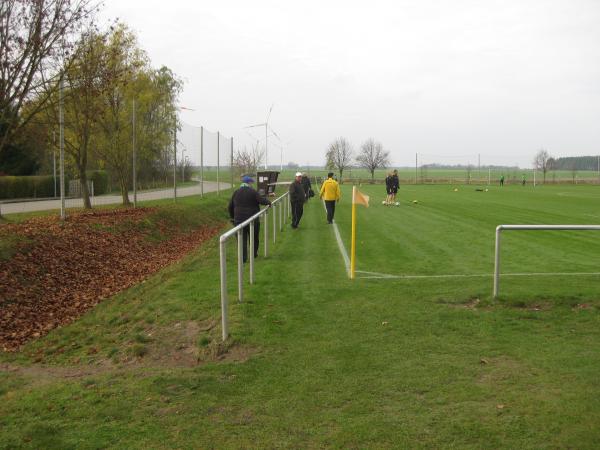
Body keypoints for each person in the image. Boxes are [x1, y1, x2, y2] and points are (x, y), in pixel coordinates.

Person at [228, 175, 271, 262]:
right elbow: (261, 200)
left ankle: (243, 258)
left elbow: (230, 207)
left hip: (239, 220)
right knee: (254, 238)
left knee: (241, 240)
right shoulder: (252, 191)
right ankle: (254, 254)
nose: (252, 184)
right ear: (249, 183)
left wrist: (233, 217)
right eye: (252, 183)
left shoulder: (236, 192)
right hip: (252, 220)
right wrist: (268, 202)